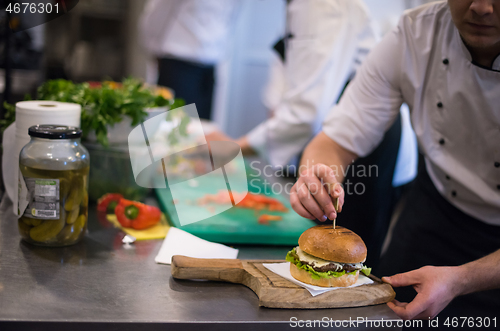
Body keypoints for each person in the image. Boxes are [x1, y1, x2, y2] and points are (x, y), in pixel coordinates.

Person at [290, 0, 500, 323]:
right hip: (434, 211)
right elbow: (334, 141)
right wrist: (316, 174)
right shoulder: (415, 34)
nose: (481, 8)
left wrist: (461, 279)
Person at [208, 0, 417, 268]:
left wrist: (233, 148)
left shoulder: (318, 4)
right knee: (323, 254)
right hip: (343, 137)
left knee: (347, 261)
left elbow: (305, 115)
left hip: (364, 145)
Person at [139, 0, 241, 120]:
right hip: (178, 62)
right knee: (173, 127)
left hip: (209, 65)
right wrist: (152, 46)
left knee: (200, 127)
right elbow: (157, 12)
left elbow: (230, 17)